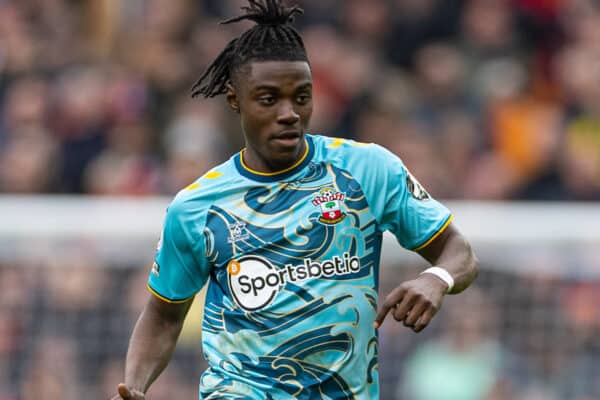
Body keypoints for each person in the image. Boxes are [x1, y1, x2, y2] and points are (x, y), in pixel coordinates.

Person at [112, 1, 479, 398]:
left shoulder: (367, 169)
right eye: (269, 99)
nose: (289, 113)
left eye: (301, 97)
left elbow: (459, 252)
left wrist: (436, 278)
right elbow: (164, 316)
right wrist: (133, 386)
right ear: (235, 99)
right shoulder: (197, 207)